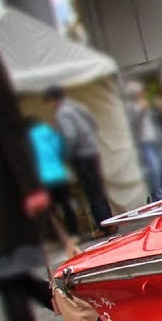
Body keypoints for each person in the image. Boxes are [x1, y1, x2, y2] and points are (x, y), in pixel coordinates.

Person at [0, 53, 98, 321]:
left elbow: (8, 125)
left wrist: (30, 187)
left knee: (8, 277)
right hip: (6, 192)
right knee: (12, 277)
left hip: (6, 195)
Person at [45, 84, 111, 234]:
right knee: (98, 188)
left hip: (80, 155)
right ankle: (109, 222)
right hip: (92, 151)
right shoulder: (77, 106)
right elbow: (94, 123)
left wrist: (66, 154)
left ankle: (103, 227)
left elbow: (70, 135)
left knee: (91, 191)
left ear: (54, 100)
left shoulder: (62, 112)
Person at [26, 116, 78, 237]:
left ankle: (58, 236)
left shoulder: (28, 139)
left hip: (44, 178)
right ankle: (75, 232)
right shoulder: (49, 132)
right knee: (67, 205)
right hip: (59, 174)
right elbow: (60, 150)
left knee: (50, 210)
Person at [125, 81, 162, 201]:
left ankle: (160, 192)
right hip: (144, 143)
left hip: (154, 140)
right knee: (153, 169)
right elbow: (133, 125)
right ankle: (158, 197)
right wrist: (140, 111)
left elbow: (155, 121)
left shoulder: (146, 104)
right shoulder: (131, 107)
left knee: (159, 168)